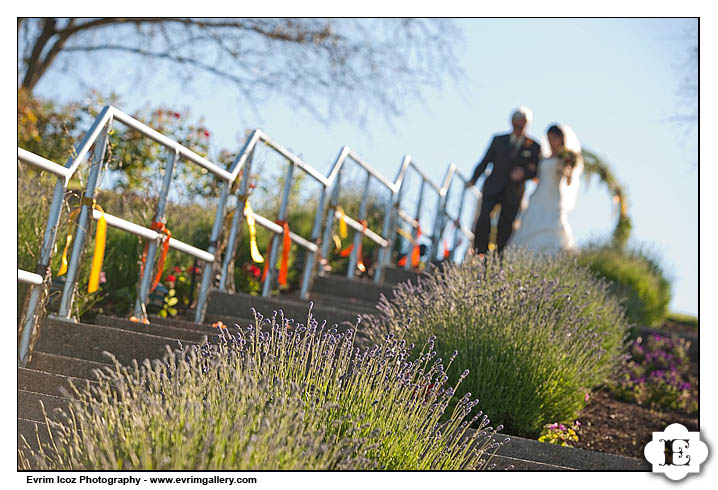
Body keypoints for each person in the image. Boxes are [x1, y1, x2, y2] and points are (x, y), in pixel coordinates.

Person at [468, 107, 543, 255]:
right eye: (517, 125)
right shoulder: (498, 140)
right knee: (483, 217)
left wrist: (524, 173)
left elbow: (536, 170)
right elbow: (485, 161)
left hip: (513, 193)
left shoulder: (534, 146)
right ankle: (480, 251)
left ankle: (498, 257)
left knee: (506, 225)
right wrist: (473, 179)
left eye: (522, 126)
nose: (519, 129)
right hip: (493, 187)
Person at [508, 124, 583, 253]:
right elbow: (535, 175)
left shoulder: (564, 159)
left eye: (553, 138)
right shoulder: (542, 158)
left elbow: (569, 180)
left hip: (553, 195)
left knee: (553, 224)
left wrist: (567, 166)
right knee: (530, 222)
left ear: (560, 138)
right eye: (549, 138)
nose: (550, 142)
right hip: (539, 194)